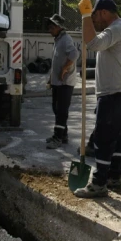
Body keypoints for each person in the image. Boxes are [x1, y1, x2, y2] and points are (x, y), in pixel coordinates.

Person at [73, 0, 121, 198]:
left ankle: (99, 183)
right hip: (118, 93)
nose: (95, 20)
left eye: (96, 15)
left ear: (105, 12)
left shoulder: (116, 29)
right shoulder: (118, 29)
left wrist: (85, 16)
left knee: (104, 139)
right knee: (116, 139)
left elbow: (92, 43)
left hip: (113, 95)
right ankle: (114, 177)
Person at [45, 14, 79, 149]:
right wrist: (51, 78)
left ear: (59, 27)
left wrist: (65, 68)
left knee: (61, 110)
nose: (49, 30)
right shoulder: (58, 40)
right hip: (57, 82)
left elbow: (75, 55)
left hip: (65, 82)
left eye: (52, 27)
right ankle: (63, 135)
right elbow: (56, 61)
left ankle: (57, 137)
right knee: (56, 108)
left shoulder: (65, 39)